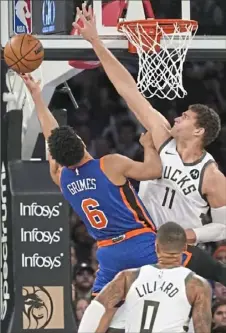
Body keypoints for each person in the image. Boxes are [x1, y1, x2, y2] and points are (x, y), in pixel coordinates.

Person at [73, 3, 226, 283]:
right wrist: (95, 41)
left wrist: (190, 235)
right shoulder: (162, 136)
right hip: (140, 241)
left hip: (174, 253)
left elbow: (222, 229)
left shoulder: (212, 175)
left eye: (185, 117)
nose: (177, 118)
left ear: (199, 131)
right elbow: (128, 89)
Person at [20, 73, 162, 295]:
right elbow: (155, 170)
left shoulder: (61, 177)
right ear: (81, 141)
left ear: (56, 157)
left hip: (107, 252)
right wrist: (149, 146)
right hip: (139, 242)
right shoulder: (110, 164)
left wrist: (37, 98)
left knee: (101, 313)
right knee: (188, 280)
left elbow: (52, 136)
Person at [78, 222, 212, 333]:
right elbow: (201, 328)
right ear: (184, 248)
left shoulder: (129, 277)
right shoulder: (196, 285)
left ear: (156, 247)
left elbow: (97, 309)